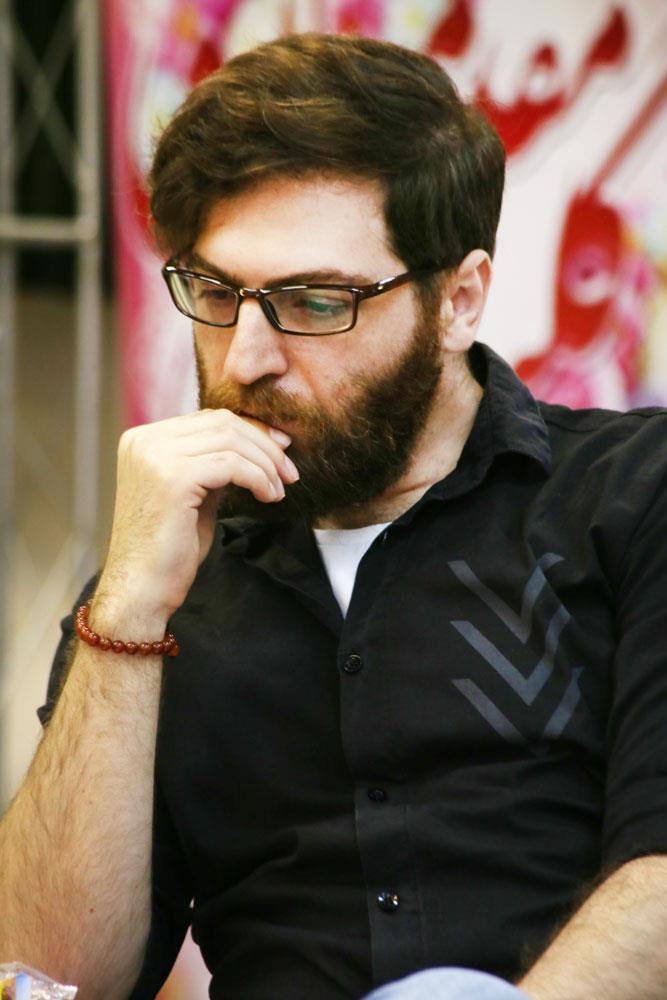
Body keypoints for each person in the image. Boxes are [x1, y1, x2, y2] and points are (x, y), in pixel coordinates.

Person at [1, 30, 667, 1000]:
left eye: (314, 302)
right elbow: (41, 979)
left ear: (459, 299)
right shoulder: (163, 585)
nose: (246, 358)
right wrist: (129, 613)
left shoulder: (632, 494)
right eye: (216, 291)